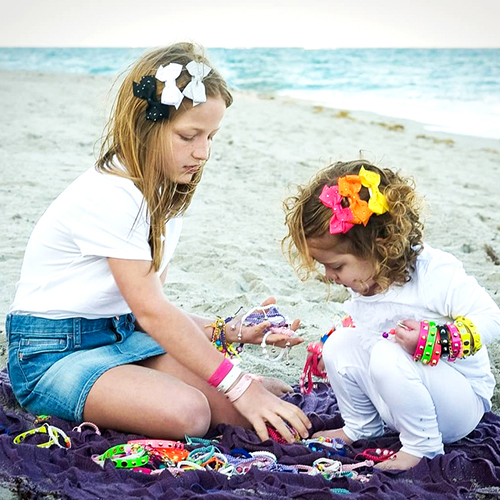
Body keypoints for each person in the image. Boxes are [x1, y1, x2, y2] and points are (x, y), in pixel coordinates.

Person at [5, 42, 311, 443]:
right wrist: (241, 385)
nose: (202, 152)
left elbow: (153, 309)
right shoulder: (114, 193)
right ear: (144, 126)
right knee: (190, 413)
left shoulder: (163, 193)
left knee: (245, 414)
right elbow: (153, 313)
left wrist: (232, 331)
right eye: (188, 136)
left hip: (122, 335)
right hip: (53, 354)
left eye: (211, 137)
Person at [282, 159, 500, 470]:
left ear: (378, 246)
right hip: (402, 398)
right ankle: (362, 427)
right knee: (340, 343)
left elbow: (491, 318)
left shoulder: (432, 272)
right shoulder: (366, 278)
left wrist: (435, 339)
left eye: (337, 266)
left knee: (388, 353)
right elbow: (376, 323)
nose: (329, 275)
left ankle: (423, 448)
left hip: (458, 403)